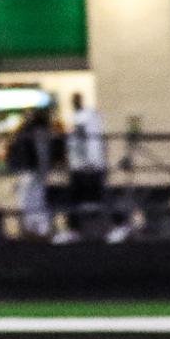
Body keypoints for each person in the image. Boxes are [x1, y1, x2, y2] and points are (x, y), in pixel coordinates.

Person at [5, 105, 55, 240]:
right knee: (35, 200)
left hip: (27, 170)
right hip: (32, 171)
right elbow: (41, 154)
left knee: (28, 201)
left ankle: (33, 230)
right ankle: (37, 230)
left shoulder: (22, 131)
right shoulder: (36, 131)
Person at [63, 93, 108, 238]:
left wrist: (86, 162)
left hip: (85, 166)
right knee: (90, 198)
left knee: (85, 198)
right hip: (90, 164)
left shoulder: (82, 118)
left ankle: (83, 230)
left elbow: (81, 142)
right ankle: (90, 229)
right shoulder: (92, 117)